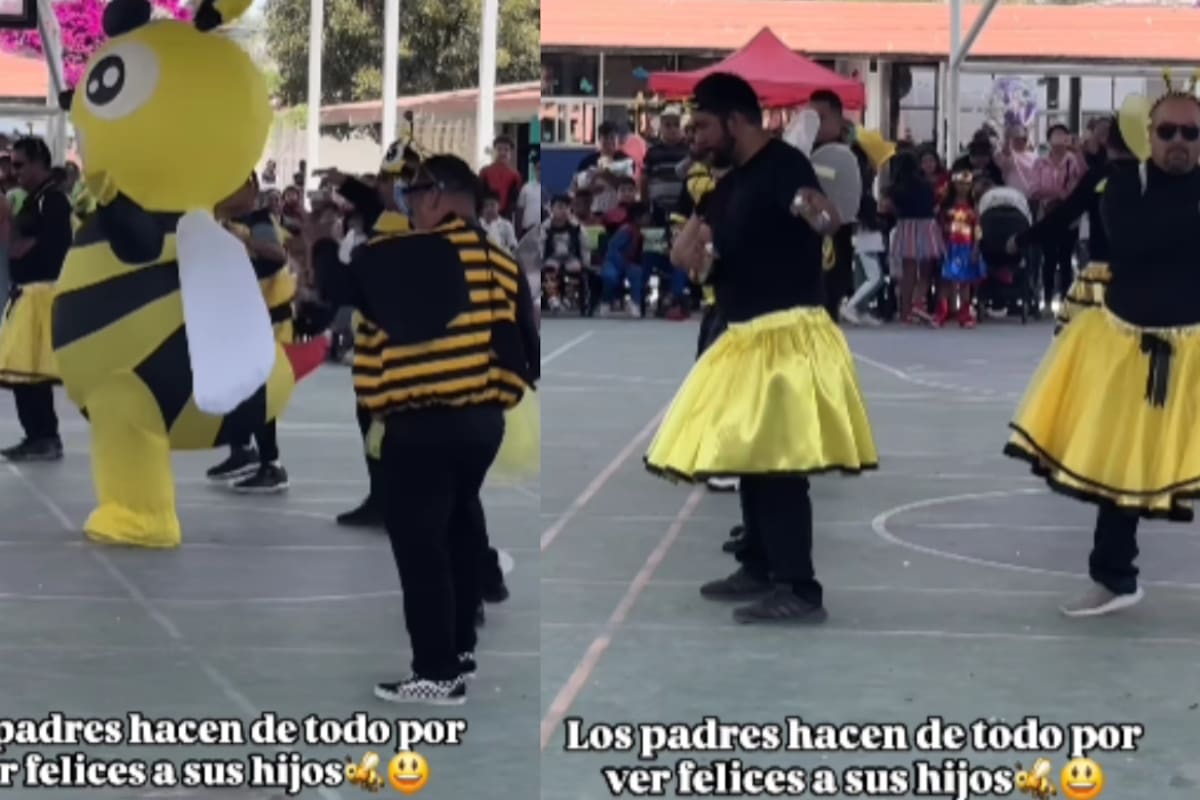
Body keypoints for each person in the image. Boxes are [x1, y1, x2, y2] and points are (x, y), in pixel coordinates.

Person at [646, 73, 878, 625]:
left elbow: (820, 216)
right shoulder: (727, 187)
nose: (695, 137)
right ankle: (758, 564)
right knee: (750, 454)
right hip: (748, 334)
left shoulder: (784, 168)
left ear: (736, 121)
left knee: (777, 463)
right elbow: (711, 260)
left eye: (704, 126)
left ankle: (799, 587)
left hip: (787, 335)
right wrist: (691, 254)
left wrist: (816, 211)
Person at [310, 154, 538, 704]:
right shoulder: (503, 264)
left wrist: (318, 238)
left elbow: (339, 285)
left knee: (421, 548)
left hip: (423, 423)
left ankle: (435, 672)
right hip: (484, 424)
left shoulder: (403, 253)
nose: (408, 209)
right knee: (460, 533)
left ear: (436, 195)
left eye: (412, 197)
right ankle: (459, 652)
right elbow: (526, 350)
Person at [1004, 86, 1200, 617]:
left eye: (1191, 132)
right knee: (1120, 461)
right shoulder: (1120, 185)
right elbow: (1135, 245)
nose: (1178, 142)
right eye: (1167, 132)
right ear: (1148, 135)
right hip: (1126, 342)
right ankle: (1114, 577)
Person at [206, 172, 294, 491]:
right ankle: (242, 450)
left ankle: (271, 463)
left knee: (259, 393)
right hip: (242, 320)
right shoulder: (220, 222)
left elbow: (276, 255)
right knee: (238, 389)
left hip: (269, 323)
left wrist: (242, 240)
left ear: (251, 189)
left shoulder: (257, 220)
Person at [1008, 115, 1135, 332]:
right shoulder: (1152, 177)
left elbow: (1064, 215)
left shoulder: (1097, 176)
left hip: (1104, 274)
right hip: (1142, 275)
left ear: (1108, 143)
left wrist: (1022, 238)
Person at [0, 137, 71, 461]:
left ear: (39, 164)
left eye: (19, 165)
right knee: (23, 369)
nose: (14, 172)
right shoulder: (32, 200)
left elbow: (55, 248)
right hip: (26, 292)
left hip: (41, 293)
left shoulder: (52, 201)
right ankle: (38, 434)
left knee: (28, 368)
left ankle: (44, 435)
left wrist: (21, 247)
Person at [1031, 124, 1085, 310]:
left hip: (1069, 216)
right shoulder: (1040, 163)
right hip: (1047, 213)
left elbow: (1084, 181)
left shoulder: (1074, 160)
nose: (1059, 138)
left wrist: (1078, 151)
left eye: (1063, 134)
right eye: (1055, 134)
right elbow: (1034, 189)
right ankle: (1046, 300)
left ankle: (1066, 300)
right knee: (1049, 258)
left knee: (1066, 258)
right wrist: (1056, 193)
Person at [479, 135, 522, 219]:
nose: (502, 153)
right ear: (494, 151)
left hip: (505, 216)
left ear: (511, 153)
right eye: (499, 149)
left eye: (506, 150)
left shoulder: (515, 175)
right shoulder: (485, 171)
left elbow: (515, 200)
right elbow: (479, 194)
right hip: (486, 216)